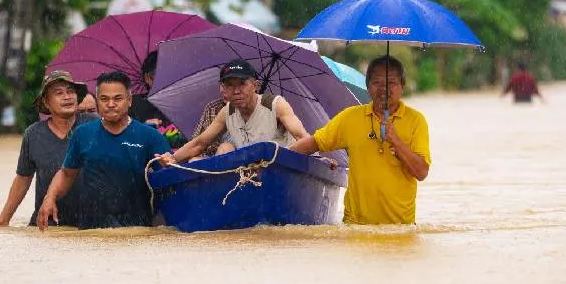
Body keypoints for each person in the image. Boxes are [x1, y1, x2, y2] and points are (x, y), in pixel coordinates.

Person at [289, 55, 431, 225]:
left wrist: (397, 141)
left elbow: (422, 172)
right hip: (356, 227)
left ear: (402, 87)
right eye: (377, 82)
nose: (384, 89)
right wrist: (273, 159)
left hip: (400, 229)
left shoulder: (416, 121)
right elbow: (313, 143)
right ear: (368, 87)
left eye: (391, 83)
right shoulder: (351, 117)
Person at [36, 71, 171, 231]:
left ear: (129, 100)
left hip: (137, 232)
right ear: (97, 102)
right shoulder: (83, 134)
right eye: (104, 99)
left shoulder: (150, 136)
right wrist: (50, 198)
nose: (111, 104)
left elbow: (168, 183)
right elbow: (67, 174)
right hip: (90, 232)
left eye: (118, 98)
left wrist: (169, 164)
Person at [0, 71, 97, 227]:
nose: (67, 96)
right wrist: (3, 219)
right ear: (46, 102)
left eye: (70, 91)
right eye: (59, 93)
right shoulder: (33, 134)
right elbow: (23, 179)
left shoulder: (96, 126)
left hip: (89, 224)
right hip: (47, 224)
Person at [160, 59, 310, 164]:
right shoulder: (227, 112)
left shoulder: (275, 104)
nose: (236, 91)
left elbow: (302, 137)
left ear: (254, 85)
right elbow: (200, 143)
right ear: (223, 89)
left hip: (281, 170)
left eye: (242, 84)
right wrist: (172, 158)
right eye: (230, 85)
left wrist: (320, 159)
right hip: (251, 173)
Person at [129, 50, 188, 149]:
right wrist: (141, 131)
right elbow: (125, 144)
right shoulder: (132, 105)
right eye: (164, 74)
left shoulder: (187, 104)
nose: (170, 79)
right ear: (148, 78)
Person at [189, 82, 231, 159]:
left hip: (243, 159)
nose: (222, 90)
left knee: (226, 148)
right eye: (222, 85)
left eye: (229, 85)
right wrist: (172, 158)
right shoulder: (213, 108)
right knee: (194, 160)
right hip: (212, 158)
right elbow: (197, 144)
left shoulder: (258, 106)